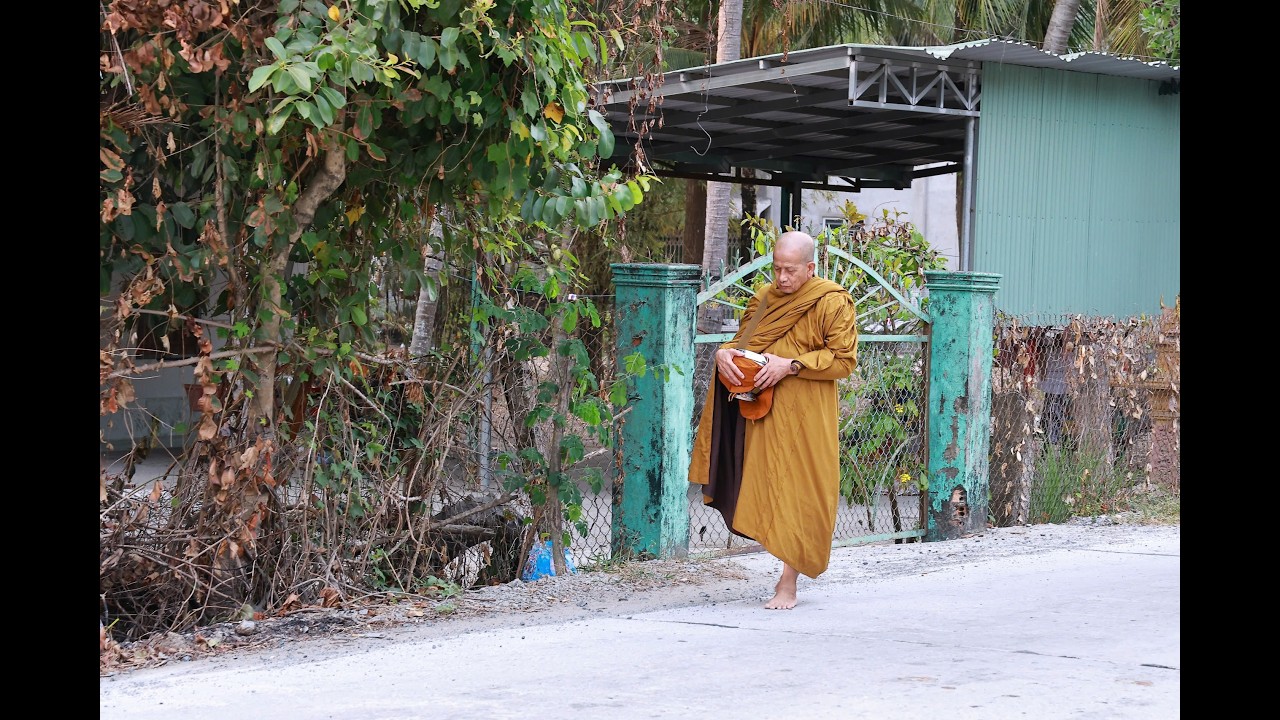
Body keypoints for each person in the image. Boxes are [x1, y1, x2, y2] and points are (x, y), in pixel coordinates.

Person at [687, 231, 859, 609]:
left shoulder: (831, 301)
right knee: (767, 488)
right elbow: (744, 345)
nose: (782, 278)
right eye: (777, 269)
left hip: (807, 416)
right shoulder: (764, 299)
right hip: (762, 412)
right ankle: (781, 571)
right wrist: (724, 354)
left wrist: (791, 365)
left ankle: (788, 583)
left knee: (799, 492)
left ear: (810, 268)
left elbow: (843, 360)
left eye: (790, 270)